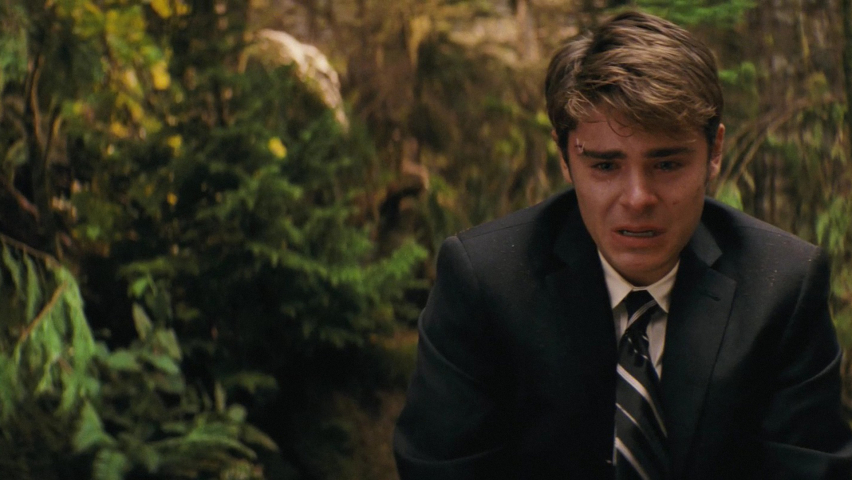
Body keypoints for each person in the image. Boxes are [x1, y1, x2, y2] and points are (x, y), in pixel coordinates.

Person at [392, 9, 852, 480]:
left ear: (714, 152)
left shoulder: (783, 285)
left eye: (667, 164)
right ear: (565, 157)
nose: (637, 198)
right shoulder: (485, 282)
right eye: (605, 166)